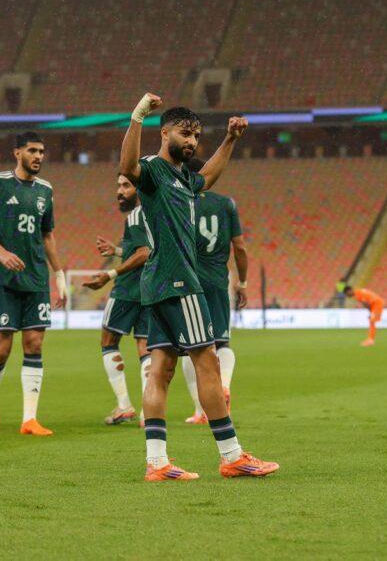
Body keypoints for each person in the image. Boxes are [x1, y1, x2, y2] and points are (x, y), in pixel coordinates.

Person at [120, 93, 278, 481]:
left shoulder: (182, 178)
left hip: (158, 284)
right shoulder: (154, 170)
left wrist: (230, 140)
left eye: (195, 136)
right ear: (165, 133)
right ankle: (232, 455)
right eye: (184, 133)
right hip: (179, 282)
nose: (191, 141)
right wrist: (138, 115)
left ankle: (157, 463)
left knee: (160, 370)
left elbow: (207, 177)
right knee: (208, 363)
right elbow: (127, 166)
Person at [0, 132, 67, 436]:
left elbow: (47, 235)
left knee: (35, 343)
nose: (38, 156)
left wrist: (59, 275)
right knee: (1, 350)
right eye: (32, 150)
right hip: (4, 280)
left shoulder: (45, 190)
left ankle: (29, 419)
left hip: (36, 278)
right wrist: (1, 252)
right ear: (17, 153)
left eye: (42, 151)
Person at [180, 158, 248, 425]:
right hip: (220, 280)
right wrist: (242, 283)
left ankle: (201, 410)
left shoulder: (181, 201)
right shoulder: (226, 204)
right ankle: (224, 386)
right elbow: (239, 247)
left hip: (190, 280)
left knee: (190, 346)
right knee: (222, 343)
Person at [82, 174, 152, 426]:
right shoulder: (157, 212)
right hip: (150, 290)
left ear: (139, 189)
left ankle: (124, 405)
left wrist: (110, 274)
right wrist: (118, 251)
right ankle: (148, 412)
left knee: (108, 341)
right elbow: (147, 249)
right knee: (145, 347)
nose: (119, 191)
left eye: (126, 186)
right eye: (118, 186)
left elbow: (143, 253)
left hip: (128, 290)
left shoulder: (135, 215)